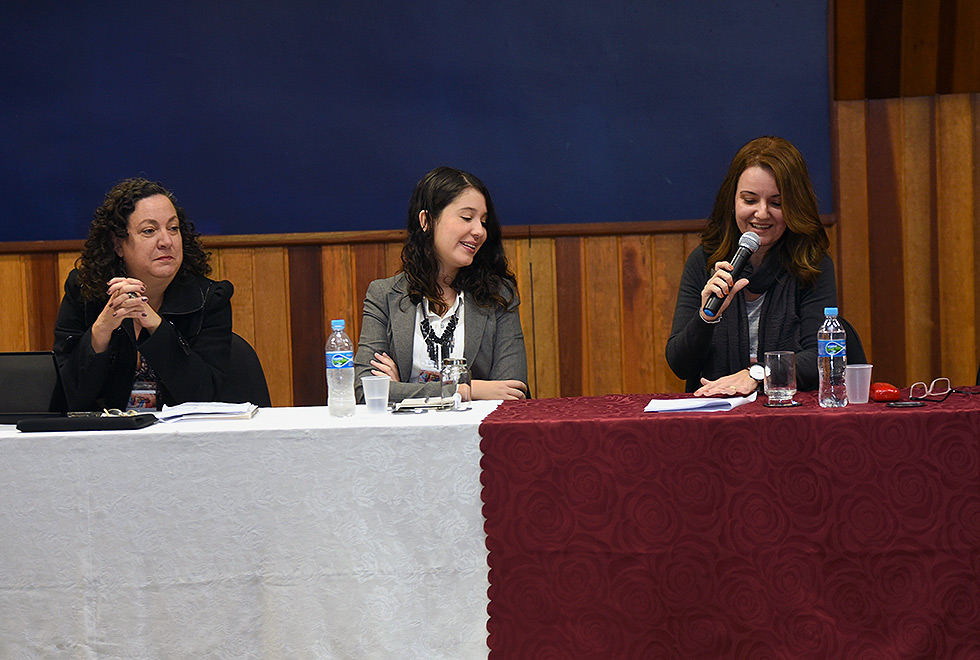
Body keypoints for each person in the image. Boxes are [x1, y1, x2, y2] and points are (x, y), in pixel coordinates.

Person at [665, 136, 837, 396]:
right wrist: (706, 318)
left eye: (777, 203)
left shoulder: (812, 264)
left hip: (787, 417)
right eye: (749, 200)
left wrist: (758, 374)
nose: (762, 213)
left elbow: (820, 358)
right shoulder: (704, 261)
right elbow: (680, 365)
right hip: (718, 418)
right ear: (732, 201)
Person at [54, 178, 234, 411]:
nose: (166, 241)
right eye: (149, 231)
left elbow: (205, 396)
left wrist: (156, 326)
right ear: (118, 245)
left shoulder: (209, 298)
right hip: (104, 441)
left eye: (173, 228)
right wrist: (101, 331)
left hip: (182, 441)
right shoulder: (85, 293)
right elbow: (69, 399)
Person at [354, 166, 528, 403]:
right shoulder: (383, 295)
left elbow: (512, 392)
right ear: (426, 221)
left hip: (475, 435)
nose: (479, 231)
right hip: (403, 436)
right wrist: (467, 390)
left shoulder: (499, 295)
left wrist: (401, 389)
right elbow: (365, 391)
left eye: (484, 221)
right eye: (467, 217)